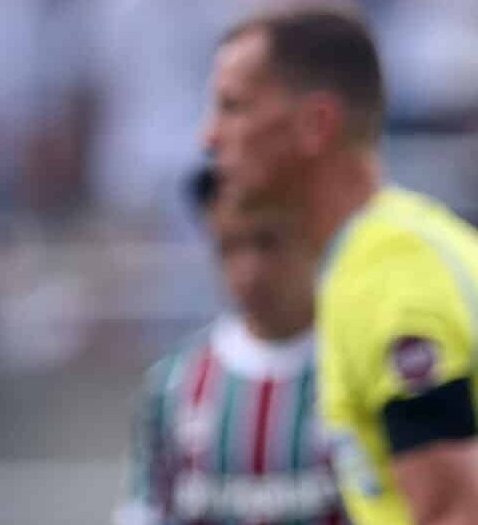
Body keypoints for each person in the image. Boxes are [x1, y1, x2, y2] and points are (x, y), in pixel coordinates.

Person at [202, 7, 478, 525]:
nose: (209, 138)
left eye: (234, 108)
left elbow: (452, 515)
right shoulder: (385, 253)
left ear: (316, 124)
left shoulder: (393, 275)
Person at [114, 166, 346, 525]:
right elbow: (145, 510)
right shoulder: (172, 383)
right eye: (229, 247)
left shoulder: (358, 365)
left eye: (267, 242)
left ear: (312, 232)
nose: (249, 271)